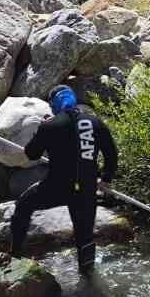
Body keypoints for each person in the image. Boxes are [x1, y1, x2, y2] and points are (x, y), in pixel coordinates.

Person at [9, 85, 118, 275]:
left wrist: (41, 131)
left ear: (54, 104)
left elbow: (31, 154)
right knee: (85, 236)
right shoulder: (95, 123)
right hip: (86, 190)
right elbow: (112, 154)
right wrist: (106, 179)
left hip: (55, 187)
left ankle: (15, 255)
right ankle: (88, 279)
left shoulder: (49, 125)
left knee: (24, 205)